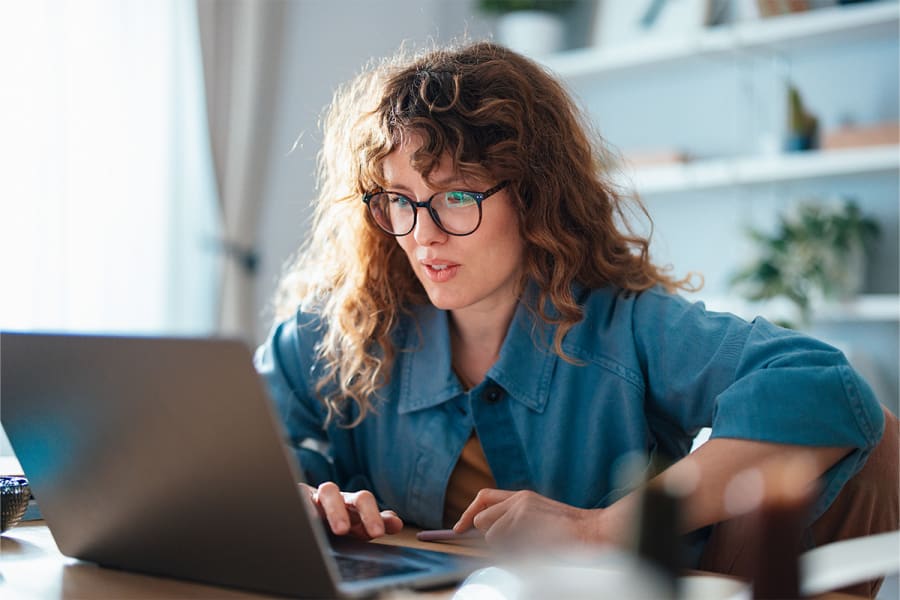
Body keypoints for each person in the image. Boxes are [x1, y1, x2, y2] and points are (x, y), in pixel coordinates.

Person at [255, 41, 892, 587]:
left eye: (455, 196)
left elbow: (828, 390)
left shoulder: (627, 328)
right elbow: (242, 454)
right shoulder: (342, 331)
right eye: (398, 200)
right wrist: (305, 501)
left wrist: (597, 529)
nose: (422, 234)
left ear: (532, 198)